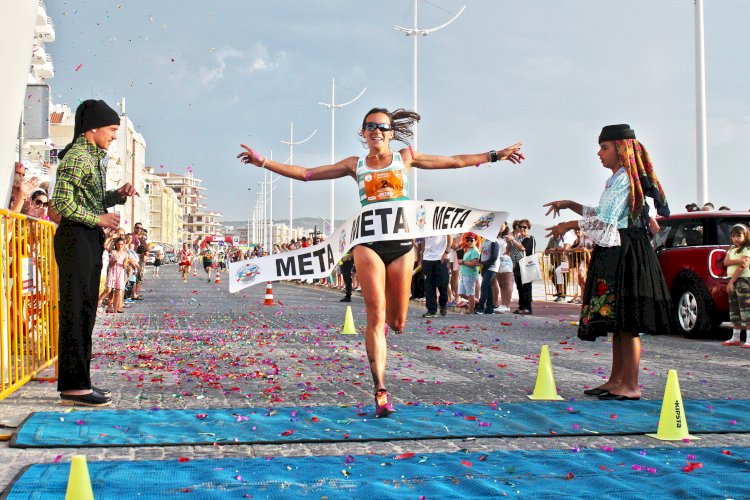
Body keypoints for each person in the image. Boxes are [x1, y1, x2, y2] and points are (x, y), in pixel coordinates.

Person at [238, 107, 524, 416]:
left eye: (383, 127)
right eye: (370, 126)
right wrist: (263, 162)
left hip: (401, 246)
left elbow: (454, 162)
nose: (377, 131)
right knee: (375, 315)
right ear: (363, 133)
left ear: (391, 132)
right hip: (368, 244)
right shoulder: (355, 164)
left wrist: (497, 155)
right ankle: (380, 390)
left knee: (397, 322)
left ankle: (384, 336)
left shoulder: (406, 157)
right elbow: (308, 174)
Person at [544, 124, 671, 401]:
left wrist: (570, 222)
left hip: (627, 250)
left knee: (628, 321)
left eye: (604, 147)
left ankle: (632, 385)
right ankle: (617, 380)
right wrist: (572, 205)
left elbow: (608, 219)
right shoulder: (616, 179)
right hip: (615, 247)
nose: (599, 153)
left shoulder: (626, 178)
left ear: (621, 148)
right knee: (618, 322)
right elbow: (601, 212)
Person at [50, 99, 139, 406]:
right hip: (74, 238)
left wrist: (119, 195)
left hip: (86, 238)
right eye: (112, 129)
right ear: (94, 128)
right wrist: (98, 219)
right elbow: (60, 205)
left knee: (87, 311)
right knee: (76, 312)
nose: (114, 136)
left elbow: (93, 197)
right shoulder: (77, 157)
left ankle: (81, 382)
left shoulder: (93, 157)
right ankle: (74, 386)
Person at [419, 206, 452, 317]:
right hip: (427, 259)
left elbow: (449, 237)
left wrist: (447, 252)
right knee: (429, 286)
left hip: (440, 258)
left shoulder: (441, 221)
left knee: (443, 284)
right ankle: (432, 310)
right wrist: (422, 255)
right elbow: (423, 240)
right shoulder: (422, 223)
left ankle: (443, 304)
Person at [721, 224, 750, 347]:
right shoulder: (732, 249)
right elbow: (726, 262)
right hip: (732, 280)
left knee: (746, 309)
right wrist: (738, 260)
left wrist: (732, 282)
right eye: (733, 236)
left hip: (743, 280)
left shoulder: (747, 249)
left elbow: (742, 267)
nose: (736, 238)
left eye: (739, 235)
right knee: (735, 310)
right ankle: (735, 337)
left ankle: (748, 338)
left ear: (745, 236)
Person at [508, 219, 535, 314]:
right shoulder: (517, 238)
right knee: (519, 286)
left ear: (528, 228)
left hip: (527, 265)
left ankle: (528, 307)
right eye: (520, 227)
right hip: (517, 265)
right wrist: (510, 240)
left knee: (527, 287)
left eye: (525, 227)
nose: (522, 229)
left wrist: (512, 240)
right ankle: (521, 306)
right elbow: (509, 249)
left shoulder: (530, 238)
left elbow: (523, 248)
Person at [457, 233, 481, 315]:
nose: (469, 242)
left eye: (471, 240)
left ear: (476, 241)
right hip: (464, 274)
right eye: (467, 240)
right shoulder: (468, 250)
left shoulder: (474, 251)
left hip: (470, 274)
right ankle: (478, 302)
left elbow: (474, 264)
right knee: (461, 293)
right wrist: (462, 262)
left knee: (470, 293)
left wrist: (463, 262)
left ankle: (470, 310)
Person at [477, 231, 500, 314]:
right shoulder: (485, 241)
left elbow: (494, 257)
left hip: (491, 268)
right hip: (484, 267)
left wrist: (484, 264)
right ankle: (490, 309)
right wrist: (480, 262)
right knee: (488, 287)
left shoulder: (494, 242)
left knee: (484, 286)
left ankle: (480, 307)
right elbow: (483, 254)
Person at [494, 223, 514, 313]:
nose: (500, 226)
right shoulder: (495, 236)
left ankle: (507, 305)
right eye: (499, 224)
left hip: (506, 260)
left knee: (507, 283)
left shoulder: (509, 236)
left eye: (502, 224)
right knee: (501, 284)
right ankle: (502, 304)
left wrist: (510, 241)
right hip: (497, 261)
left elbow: (511, 249)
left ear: (506, 225)